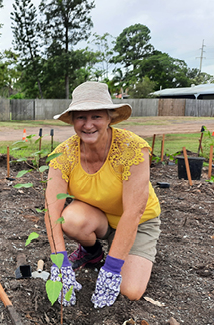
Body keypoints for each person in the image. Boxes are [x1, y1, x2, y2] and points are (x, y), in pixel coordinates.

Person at [45, 81, 161, 308]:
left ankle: (118, 257)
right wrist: (60, 264)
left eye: (96, 117)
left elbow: (134, 212)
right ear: (72, 121)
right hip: (99, 218)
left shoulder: (133, 150)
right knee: (70, 220)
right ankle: (93, 252)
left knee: (131, 291)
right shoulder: (63, 155)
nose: (88, 125)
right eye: (81, 117)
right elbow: (52, 211)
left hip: (139, 223)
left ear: (109, 118)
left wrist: (112, 269)